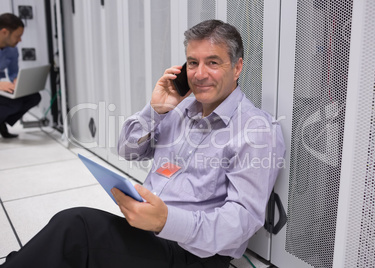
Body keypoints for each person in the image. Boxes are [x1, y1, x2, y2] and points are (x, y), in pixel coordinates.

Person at [1, 20, 285, 268]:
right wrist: (155, 110)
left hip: (192, 254)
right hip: (146, 234)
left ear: (237, 67)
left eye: (213, 62)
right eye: (193, 62)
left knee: (75, 228)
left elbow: (242, 221)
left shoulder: (256, 130)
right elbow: (127, 150)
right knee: (58, 250)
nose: (199, 74)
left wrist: (166, 221)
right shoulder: (179, 111)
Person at [0, 13, 41, 138]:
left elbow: (13, 73)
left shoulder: (12, 50)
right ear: (4, 32)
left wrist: (17, 82)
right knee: (13, 104)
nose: (20, 40)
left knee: (33, 97)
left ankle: (2, 122)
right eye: (17, 36)